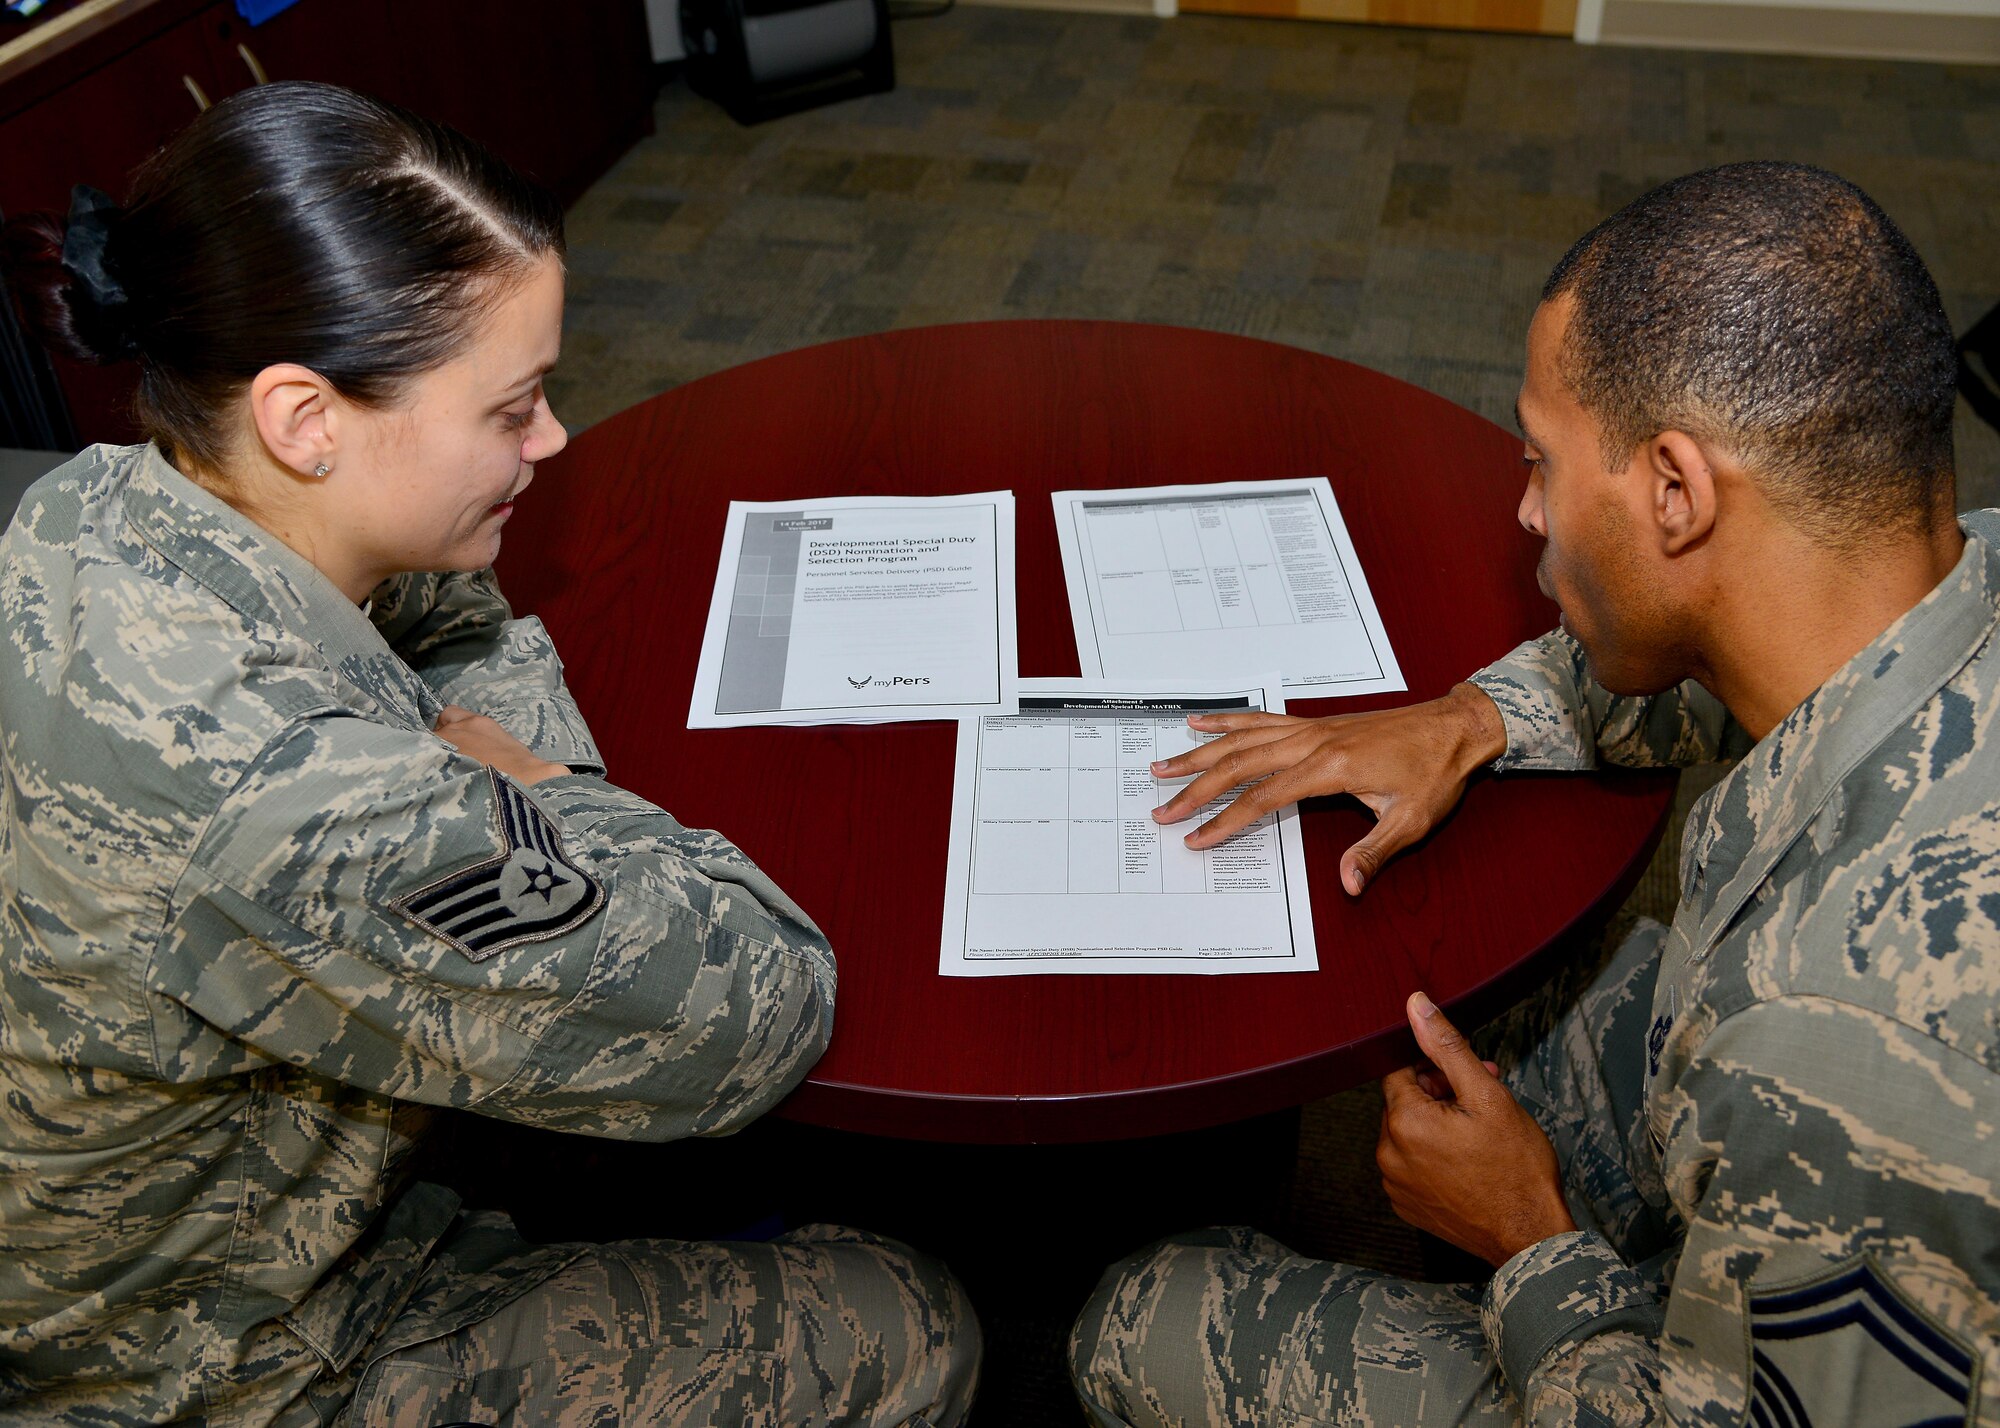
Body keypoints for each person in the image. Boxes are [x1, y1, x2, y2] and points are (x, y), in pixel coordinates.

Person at [0, 83, 978, 1426]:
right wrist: (532, 789)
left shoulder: (92, 503)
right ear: (305, 419)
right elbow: (761, 1008)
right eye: (509, 408)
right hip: (220, 1359)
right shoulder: (299, 799)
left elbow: (448, 607)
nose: (551, 441)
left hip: (104, 1232)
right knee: (900, 1324)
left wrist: (470, 747)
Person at [1069, 162, 1998, 1426]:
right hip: (1752, 1100)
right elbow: (1724, 663)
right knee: (1505, 1045)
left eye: (1542, 463)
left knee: (1141, 1313)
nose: (1523, 510)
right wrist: (1467, 718)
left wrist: (1527, 1244)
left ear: (1674, 490)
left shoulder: (1837, 1039)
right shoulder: (1949, 564)